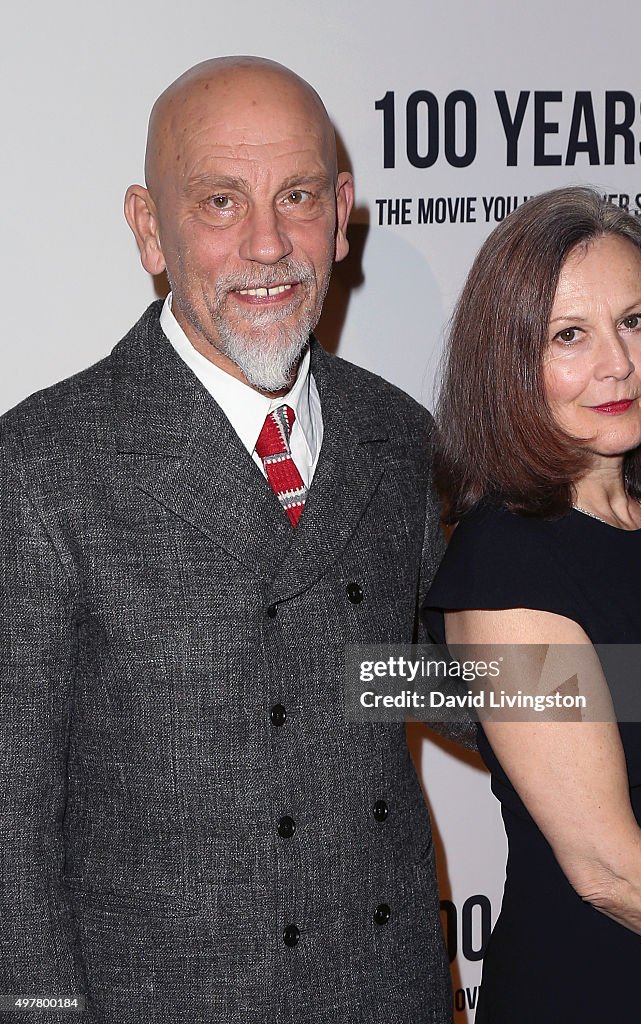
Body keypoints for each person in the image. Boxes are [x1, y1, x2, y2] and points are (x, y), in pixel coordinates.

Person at [0, 56, 459, 1023]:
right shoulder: (42, 464)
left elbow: (417, 678)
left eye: (295, 197)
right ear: (148, 229)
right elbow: (11, 827)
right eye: (218, 202)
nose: (266, 245)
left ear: (340, 214)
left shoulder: (395, 434)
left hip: (390, 994)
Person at [424, 186, 641, 1023]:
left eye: (634, 323)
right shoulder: (503, 571)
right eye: (568, 336)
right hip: (600, 991)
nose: (615, 365)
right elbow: (606, 868)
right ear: (510, 364)